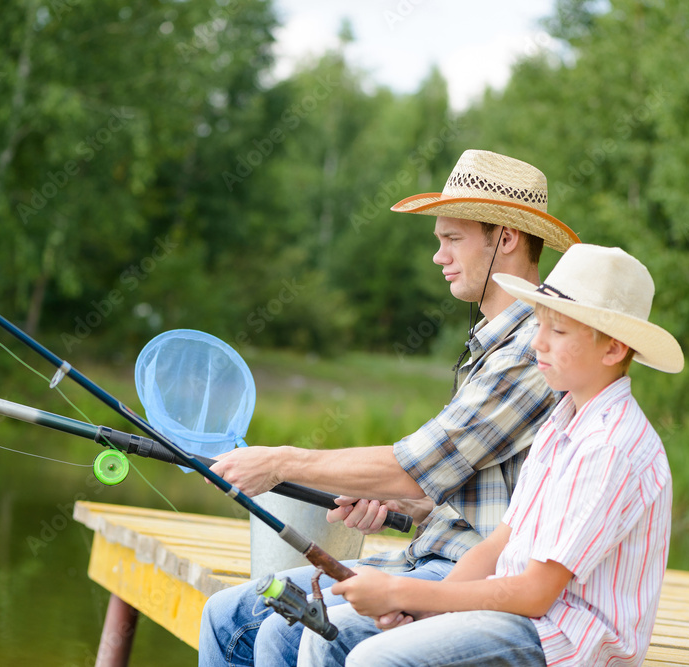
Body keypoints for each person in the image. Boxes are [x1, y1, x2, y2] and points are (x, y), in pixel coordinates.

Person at [198, 150, 582, 667]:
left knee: (289, 634)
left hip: (468, 579)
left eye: (453, 239)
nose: (438, 256)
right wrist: (405, 508)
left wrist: (281, 464)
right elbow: (471, 487)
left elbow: (416, 464)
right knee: (225, 615)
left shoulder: (530, 351)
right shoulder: (493, 343)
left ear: (506, 240)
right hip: (426, 556)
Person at [300, 244, 684, 667]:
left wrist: (401, 593)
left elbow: (536, 594)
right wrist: (424, 610)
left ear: (612, 349)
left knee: (376, 659)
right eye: (538, 324)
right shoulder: (562, 422)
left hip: (562, 640)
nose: (537, 342)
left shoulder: (610, 446)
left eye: (557, 332)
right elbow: (499, 545)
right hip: (513, 615)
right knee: (326, 638)